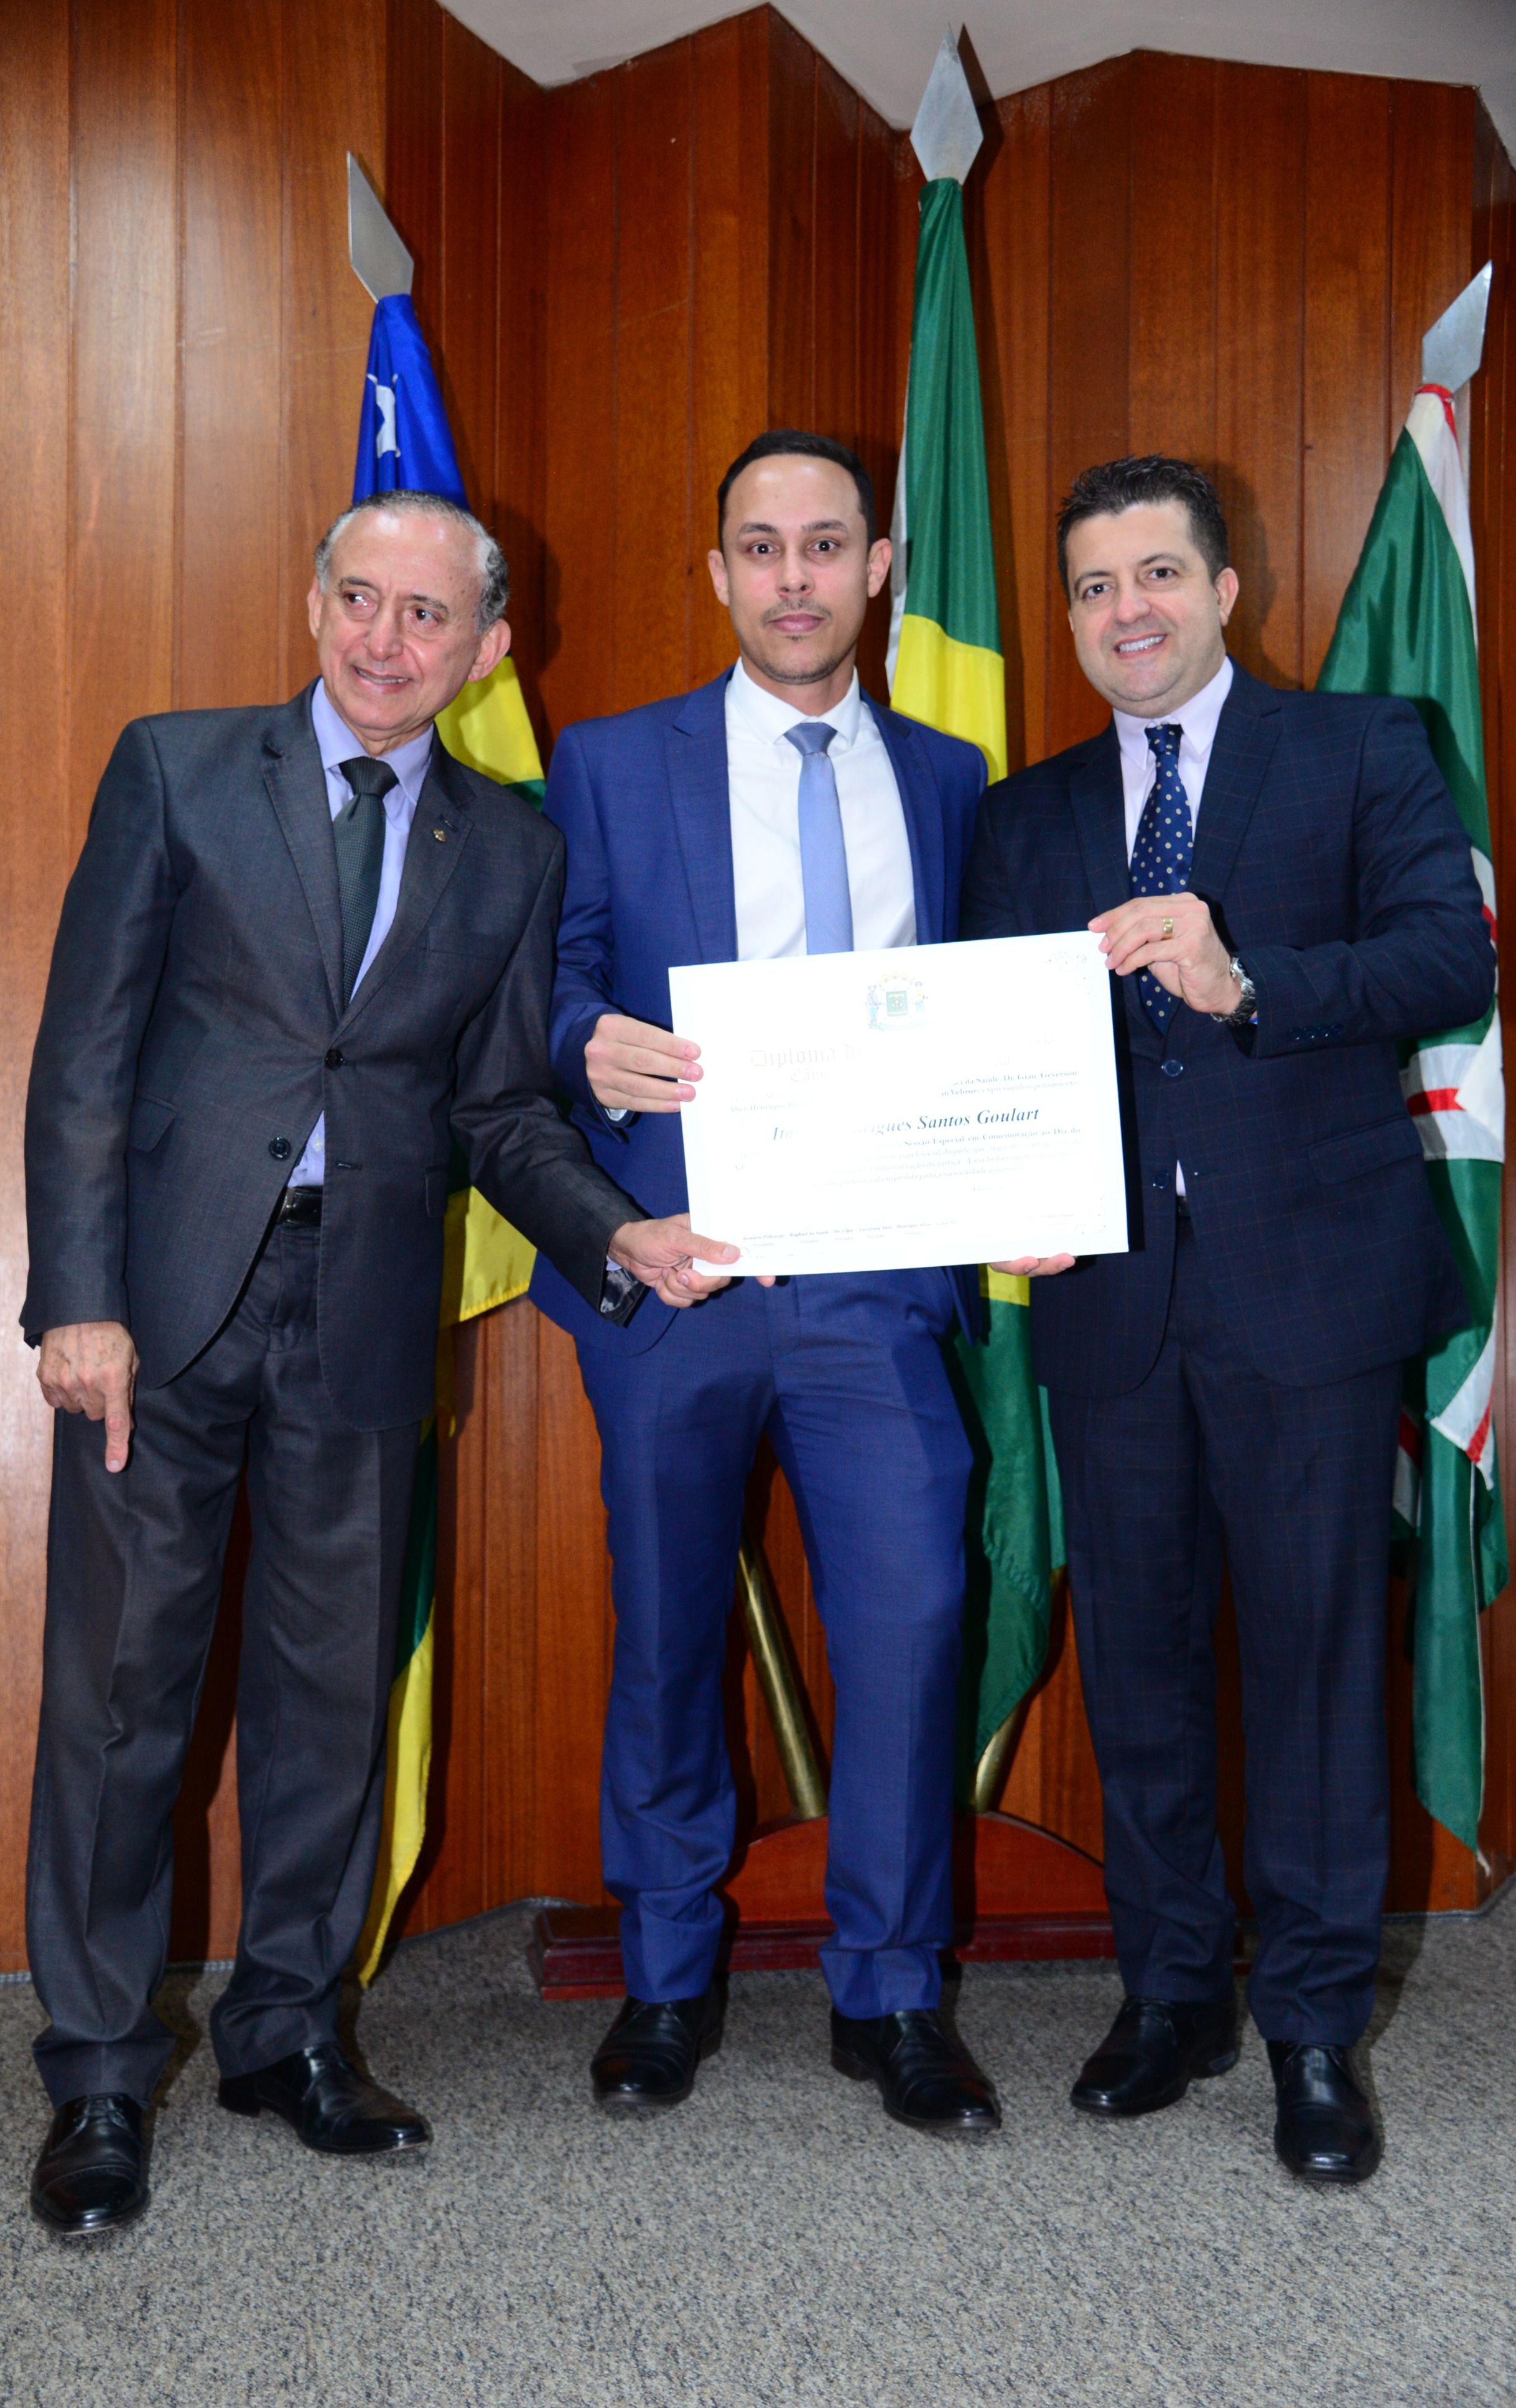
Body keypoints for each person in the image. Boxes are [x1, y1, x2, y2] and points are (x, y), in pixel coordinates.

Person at [21, 489, 733, 2236]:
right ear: (314, 599)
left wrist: (616, 1235)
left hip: (363, 1311)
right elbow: (85, 1051)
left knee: (332, 1699)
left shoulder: (513, 847)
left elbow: (499, 1109)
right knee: (122, 1699)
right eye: (361, 598)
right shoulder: (179, 769)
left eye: (427, 616)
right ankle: (99, 2073)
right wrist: (78, 1299)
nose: (384, 639)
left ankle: (286, 2034)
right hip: (164, 1311)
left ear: (487, 650)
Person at [961, 455, 1494, 2184]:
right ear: (1070, 617)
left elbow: (1451, 960)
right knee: (1140, 1667)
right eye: (1095, 586)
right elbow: (987, 1047)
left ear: (1224, 588)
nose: (1128, 610)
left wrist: (1248, 978)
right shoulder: (1024, 814)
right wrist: (992, 1191)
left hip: (1312, 1291)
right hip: (1110, 1304)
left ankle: (1316, 2026)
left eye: (1158, 575)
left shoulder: (1363, 749)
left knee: (1319, 1662)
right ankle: (1173, 1989)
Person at [530, 430, 998, 2136]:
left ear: (877, 569)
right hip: (678, 1273)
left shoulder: (953, 776)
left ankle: (892, 1989)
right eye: (760, 546)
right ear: (718, 571)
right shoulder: (606, 762)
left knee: (912, 1628)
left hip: (878, 1285)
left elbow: (983, 1014)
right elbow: (545, 979)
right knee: (667, 1633)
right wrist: (585, 1040)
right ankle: (666, 1975)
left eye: (824, 545)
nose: (793, 578)